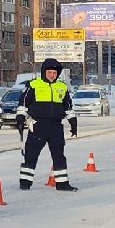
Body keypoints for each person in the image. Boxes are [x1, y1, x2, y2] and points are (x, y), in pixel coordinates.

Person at [17, 57, 79, 191]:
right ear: (44, 72)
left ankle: (62, 184)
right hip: (38, 125)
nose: (52, 75)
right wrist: (20, 118)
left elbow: (68, 106)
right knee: (31, 155)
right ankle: (25, 183)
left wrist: (73, 122)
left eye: (55, 73)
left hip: (56, 127)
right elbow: (23, 103)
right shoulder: (33, 85)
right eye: (50, 72)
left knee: (59, 156)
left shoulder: (62, 87)